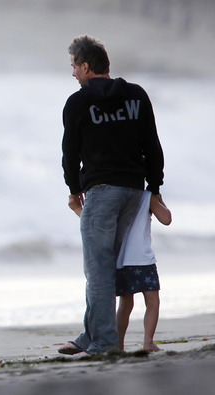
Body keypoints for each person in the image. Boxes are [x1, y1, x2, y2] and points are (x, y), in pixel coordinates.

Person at [59, 35, 164, 356]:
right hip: (134, 191)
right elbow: (152, 145)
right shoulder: (136, 95)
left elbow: (70, 153)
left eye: (74, 67)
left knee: (98, 268)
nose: (73, 73)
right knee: (107, 266)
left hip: (103, 191)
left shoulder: (78, 103)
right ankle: (91, 334)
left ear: (86, 67)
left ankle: (104, 342)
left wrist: (73, 188)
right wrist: (154, 189)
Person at [116, 192, 171, 352]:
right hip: (142, 259)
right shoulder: (147, 197)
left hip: (122, 259)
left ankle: (119, 345)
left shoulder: (116, 195)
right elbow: (166, 219)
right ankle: (148, 342)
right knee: (153, 303)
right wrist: (160, 201)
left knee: (125, 305)